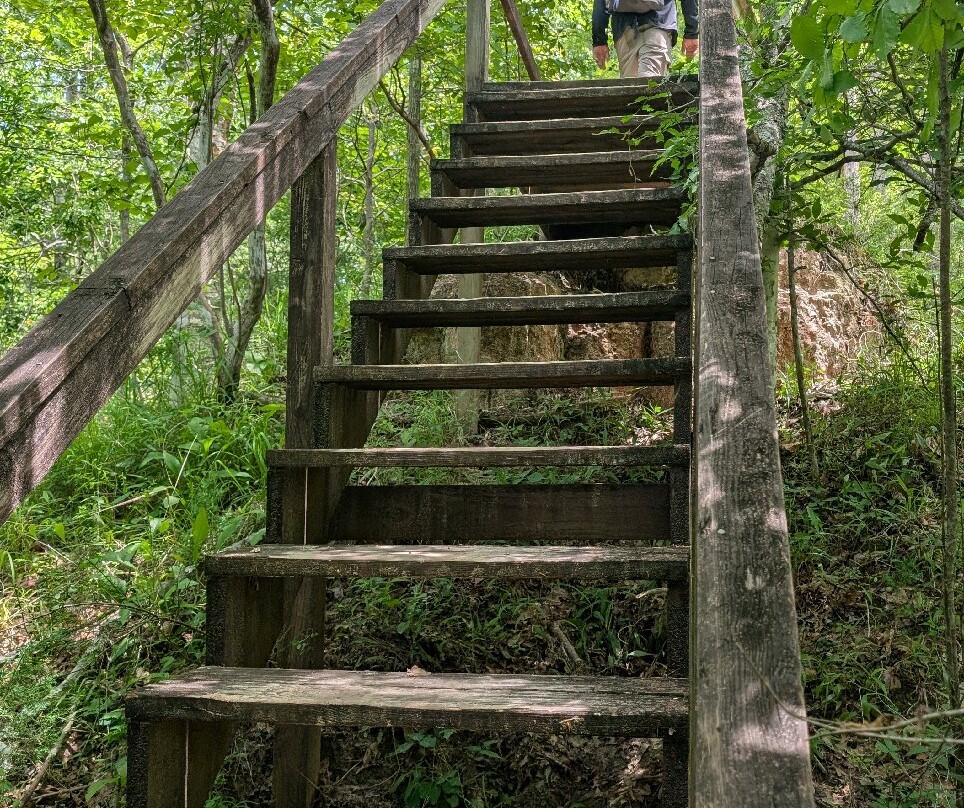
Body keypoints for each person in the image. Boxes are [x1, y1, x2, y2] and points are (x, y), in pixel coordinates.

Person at [592, 0, 699, 78]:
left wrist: (599, 40)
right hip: (659, 24)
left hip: (624, 29)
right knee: (651, 84)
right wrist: (692, 33)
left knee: (630, 89)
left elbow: (601, 3)